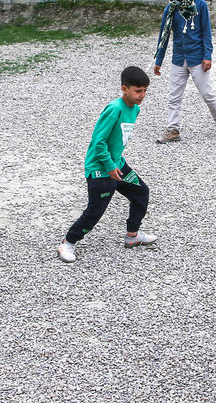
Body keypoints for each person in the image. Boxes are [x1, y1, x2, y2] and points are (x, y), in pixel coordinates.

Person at [58, 66, 156, 263]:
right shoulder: (114, 109)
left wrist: (115, 164)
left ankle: (132, 236)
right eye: (138, 91)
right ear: (124, 89)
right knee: (95, 211)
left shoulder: (135, 109)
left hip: (117, 165)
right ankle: (67, 242)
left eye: (145, 90)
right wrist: (109, 166)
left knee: (141, 193)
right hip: (100, 170)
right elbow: (98, 141)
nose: (142, 95)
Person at [152, 0, 216, 143]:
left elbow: (206, 33)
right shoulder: (170, 9)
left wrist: (207, 56)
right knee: (174, 97)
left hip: (197, 59)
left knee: (207, 94)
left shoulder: (200, 6)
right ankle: (173, 130)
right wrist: (159, 60)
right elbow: (163, 36)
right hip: (178, 59)